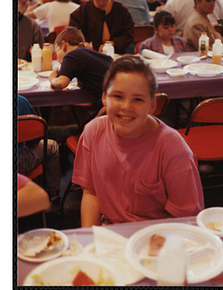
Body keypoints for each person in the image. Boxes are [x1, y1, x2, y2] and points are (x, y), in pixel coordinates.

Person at [72, 55, 204, 227]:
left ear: (152, 105)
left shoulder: (172, 147)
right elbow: (91, 193)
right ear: (104, 98)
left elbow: (185, 217)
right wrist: (89, 240)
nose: (126, 106)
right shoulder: (92, 132)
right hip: (111, 232)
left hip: (158, 235)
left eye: (138, 99)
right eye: (118, 96)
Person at [49, 27, 113, 109]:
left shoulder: (71, 55)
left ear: (63, 45)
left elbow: (61, 83)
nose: (58, 59)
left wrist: (52, 79)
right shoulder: (91, 54)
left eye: (57, 51)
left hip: (108, 104)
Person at [18, 95, 61, 212]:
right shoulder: (20, 101)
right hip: (19, 162)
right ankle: (52, 197)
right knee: (52, 147)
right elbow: (34, 142)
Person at [69, 0, 134, 54]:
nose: (101, 2)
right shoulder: (83, 9)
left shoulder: (121, 10)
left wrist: (113, 43)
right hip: (89, 53)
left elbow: (129, 34)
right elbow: (73, 32)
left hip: (115, 53)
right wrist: (84, 43)